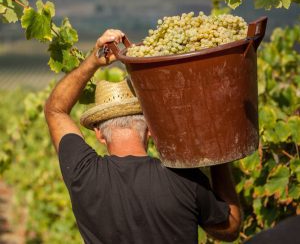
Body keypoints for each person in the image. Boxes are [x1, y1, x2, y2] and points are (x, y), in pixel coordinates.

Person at [44, 29, 242, 244]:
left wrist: (93, 61)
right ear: (150, 128)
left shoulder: (83, 174)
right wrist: (219, 155)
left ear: (99, 134)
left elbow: (55, 109)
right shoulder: (185, 178)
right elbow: (230, 228)